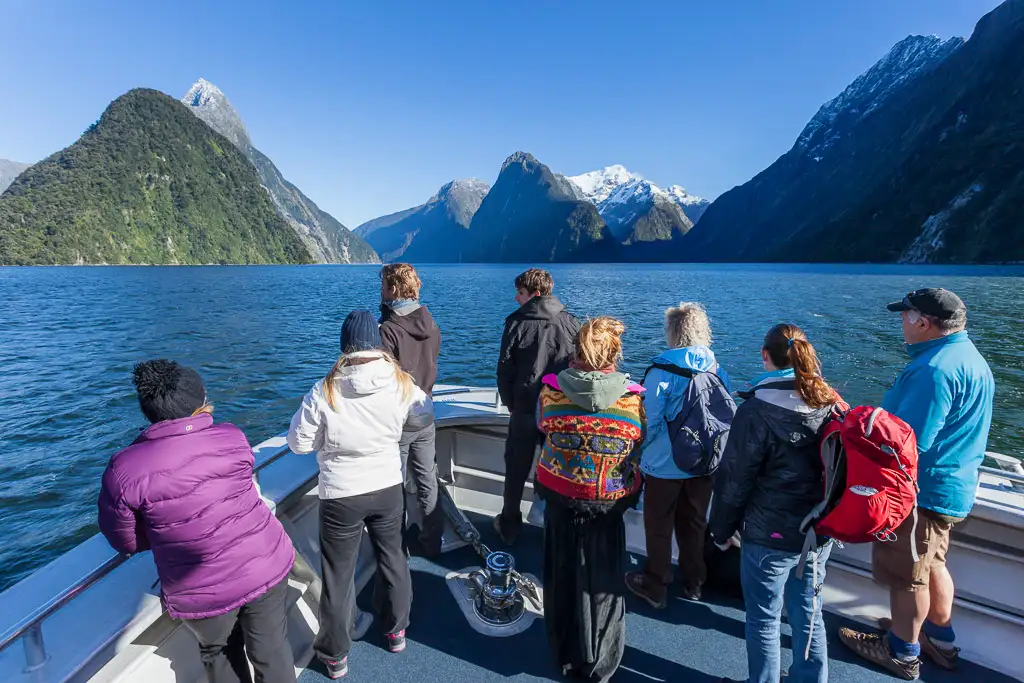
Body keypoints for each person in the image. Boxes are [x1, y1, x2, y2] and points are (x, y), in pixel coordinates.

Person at [98, 360, 296, 683]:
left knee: (219, 656)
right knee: (273, 652)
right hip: (265, 564)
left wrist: (165, 531)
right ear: (200, 404)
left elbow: (125, 541)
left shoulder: (123, 470)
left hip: (201, 590)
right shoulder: (232, 437)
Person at [839, 288, 994, 681]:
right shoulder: (970, 358)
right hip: (952, 485)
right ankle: (939, 640)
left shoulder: (933, 370)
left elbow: (908, 442)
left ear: (923, 323)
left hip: (920, 491)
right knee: (933, 562)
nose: (902, 323)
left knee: (908, 575)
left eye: (905, 316)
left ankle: (902, 651)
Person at [288, 310, 432, 680]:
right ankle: (396, 631)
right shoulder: (401, 383)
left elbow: (299, 444)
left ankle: (335, 657)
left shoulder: (325, 389)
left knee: (338, 576)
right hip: (386, 486)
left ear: (344, 346)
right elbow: (422, 415)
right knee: (395, 559)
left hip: (341, 494)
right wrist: (393, 434)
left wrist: (329, 443)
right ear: (376, 344)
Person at [710, 324, 840, 683]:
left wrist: (722, 530)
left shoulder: (756, 410)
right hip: (817, 530)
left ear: (765, 356)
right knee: (810, 612)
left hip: (769, 534)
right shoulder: (829, 402)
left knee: (764, 617)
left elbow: (734, 480)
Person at [534, 316, 646, 682]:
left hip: (560, 496)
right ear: (614, 353)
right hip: (608, 503)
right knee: (605, 582)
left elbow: (542, 428)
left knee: (561, 575)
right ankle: (603, 660)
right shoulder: (633, 399)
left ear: (577, 350)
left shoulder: (550, 391)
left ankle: (565, 650)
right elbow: (639, 442)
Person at [626, 302, 732, 608]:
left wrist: (638, 455)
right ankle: (694, 582)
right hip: (704, 465)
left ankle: (656, 584)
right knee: (695, 522)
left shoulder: (661, 371)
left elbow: (649, 421)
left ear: (672, 332)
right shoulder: (717, 368)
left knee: (659, 524)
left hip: (664, 466)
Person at [494, 268, 580, 545]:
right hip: (558, 410)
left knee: (516, 468)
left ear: (536, 294)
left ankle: (509, 525)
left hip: (524, 408)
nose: (516, 299)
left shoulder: (516, 323)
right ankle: (551, 526)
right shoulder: (571, 323)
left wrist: (511, 403)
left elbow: (504, 370)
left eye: (520, 293)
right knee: (556, 468)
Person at [378, 263, 444, 555]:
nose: (380, 291)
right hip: (425, 412)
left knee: (394, 482)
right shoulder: (432, 326)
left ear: (392, 289)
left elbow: (382, 379)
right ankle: (432, 540)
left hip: (398, 419)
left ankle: (398, 547)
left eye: (382, 286)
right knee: (427, 477)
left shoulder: (388, 331)